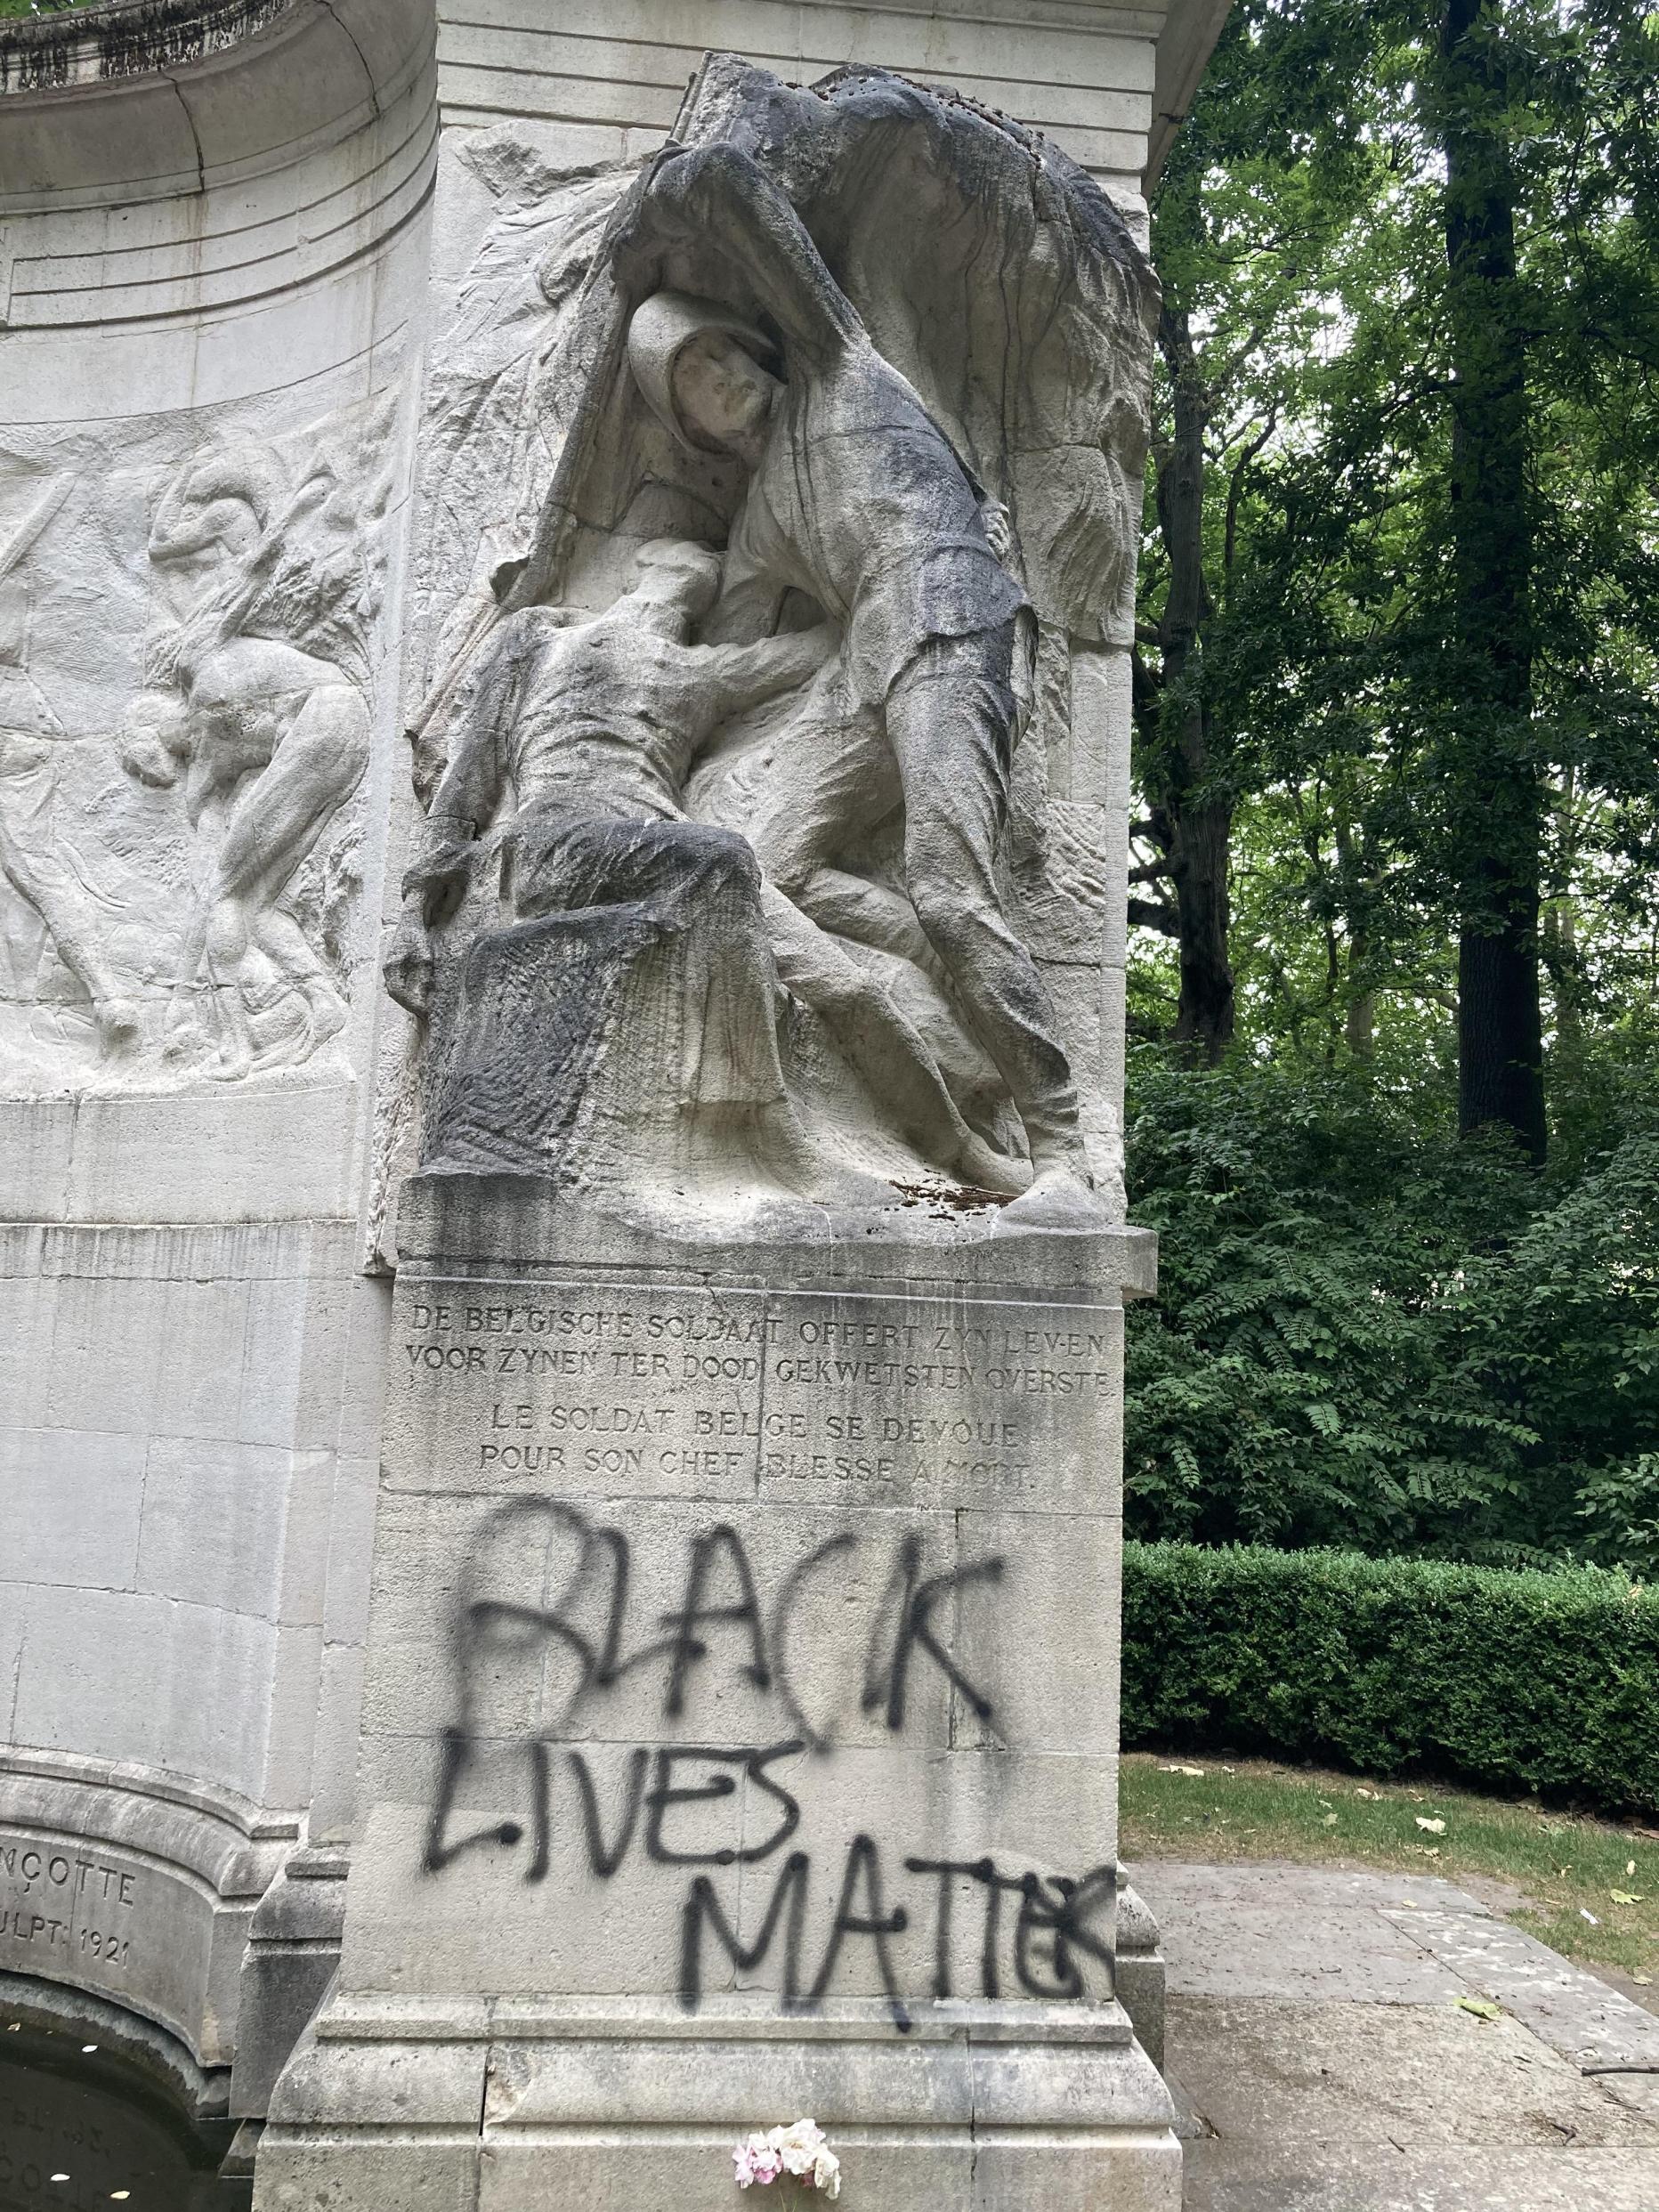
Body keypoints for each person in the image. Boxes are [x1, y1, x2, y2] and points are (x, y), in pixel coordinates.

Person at [616, 142, 1098, 1221]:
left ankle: (1065, 1146)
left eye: (720, 356)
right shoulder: (756, 523)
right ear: (690, 422)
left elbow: (767, 225)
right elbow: (723, 664)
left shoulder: (842, 369)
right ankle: (934, 980)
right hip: (861, 668)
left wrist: (706, 178)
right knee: (744, 849)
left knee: (947, 871)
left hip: (951, 620)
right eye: (693, 381)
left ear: (751, 346)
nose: (722, 381)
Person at [384, 539, 1023, 1195]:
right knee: (723, 856)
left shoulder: (702, 671)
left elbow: (831, 646)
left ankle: (962, 1151)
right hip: (559, 845)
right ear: (637, 570)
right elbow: (469, 779)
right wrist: (413, 915)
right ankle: (770, 1129)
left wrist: (939, 574)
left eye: (705, 583)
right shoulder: (538, 635)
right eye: (674, 566)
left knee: (848, 986)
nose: (692, 579)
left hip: (676, 852)